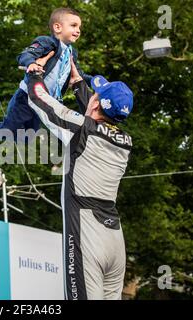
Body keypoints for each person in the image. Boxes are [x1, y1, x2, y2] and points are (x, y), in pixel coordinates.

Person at [26, 59, 134, 300]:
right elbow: (98, 118)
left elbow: (42, 102)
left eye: (94, 94)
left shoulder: (81, 129)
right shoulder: (125, 140)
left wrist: (33, 74)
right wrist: (76, 82)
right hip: (115, 239)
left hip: (88, 235)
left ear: (95, 103)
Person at [0, 7, 92, 149]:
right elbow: (26, 54)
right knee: (9, 130)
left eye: (79, 27)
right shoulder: (47, 42)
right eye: (73, 25)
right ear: (57, 27)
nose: (78, 30)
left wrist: (96, 81)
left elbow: (78, 74)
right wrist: (32, 63)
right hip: (27, 96)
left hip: (44, 103)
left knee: (26, 138)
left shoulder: (72, 53)